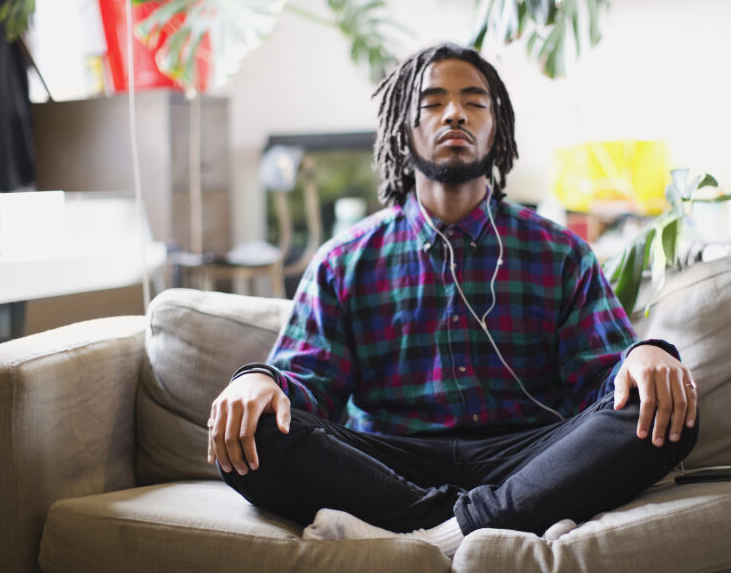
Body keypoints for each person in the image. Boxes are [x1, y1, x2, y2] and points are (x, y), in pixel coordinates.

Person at [207, 42, 698, 558]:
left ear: (497, 127)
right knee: (257, 433)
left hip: (529, 458)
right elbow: (306, 385)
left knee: (661, 410)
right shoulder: (342, 261)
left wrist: (644, 355)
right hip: (388, 465)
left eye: (474, 101)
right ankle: (489, 523)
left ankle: (434, 537)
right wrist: (259, 381)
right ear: (404, 126)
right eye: (434, 101)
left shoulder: (562, 253)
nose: (455, 113)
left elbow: (604, 381)